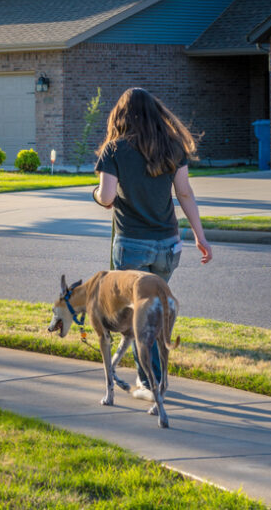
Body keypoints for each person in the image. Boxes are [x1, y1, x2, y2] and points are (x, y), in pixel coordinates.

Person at [92, 87, 212, 401]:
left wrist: (95, 194)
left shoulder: (114, 150)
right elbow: (184, 193)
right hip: (169, 247)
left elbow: (105, 197)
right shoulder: (172, 146)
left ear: (121, 115)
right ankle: (152, 377)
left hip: (131, 244)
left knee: (138, 317)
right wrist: (200, 236)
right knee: (152, 314)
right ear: (156, 113)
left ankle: (150, 382)